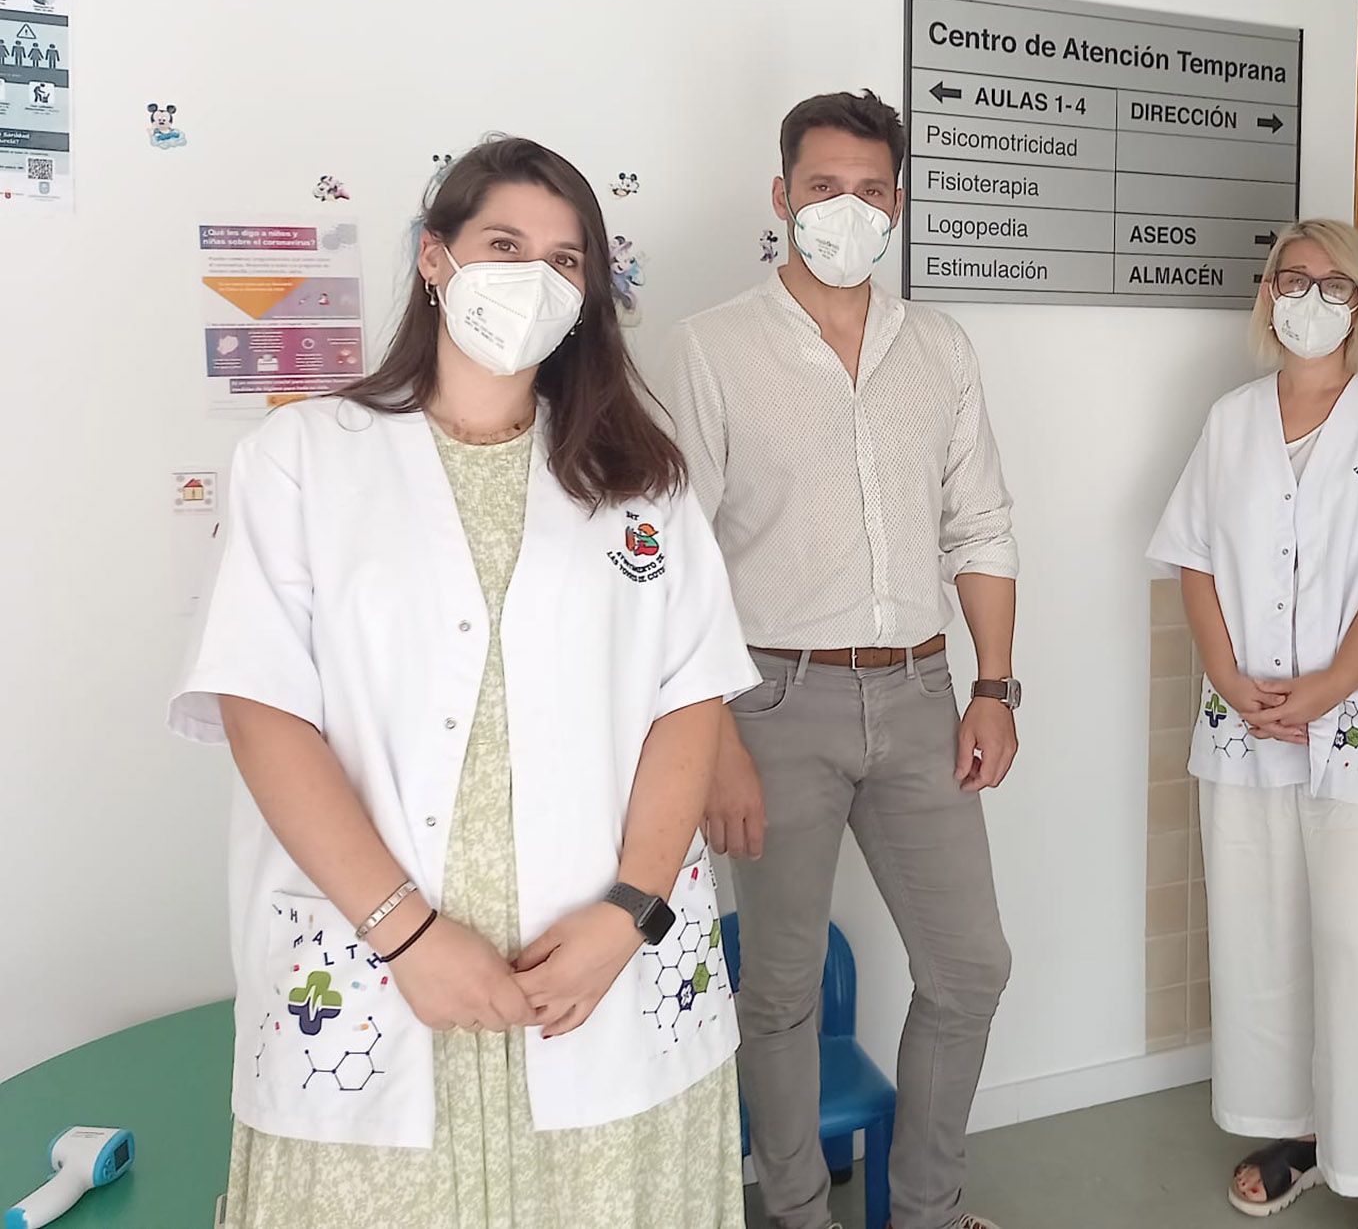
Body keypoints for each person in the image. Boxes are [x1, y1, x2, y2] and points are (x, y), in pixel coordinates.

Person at [171, 137, 760, 1229]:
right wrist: (402, 932)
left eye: (565, 259)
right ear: (435, 259)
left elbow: (690, 700)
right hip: (378, 959)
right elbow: (261, 709)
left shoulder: (643, 480)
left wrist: (627, 914)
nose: (532, 278)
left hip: (594, 960)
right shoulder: (304, 458)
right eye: (504, 245)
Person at [666, 90, 1018, 1229]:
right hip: (772, 702)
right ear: (780, 197)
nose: (846, 210)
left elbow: (982, 524)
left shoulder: (941, 346)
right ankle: (800, 1214)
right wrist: (712, 731)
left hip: (921, 691)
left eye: (871, 191)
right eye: (822, 187)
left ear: (898, 203)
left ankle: (924, 1210)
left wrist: (994, 685)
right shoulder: (711, 345)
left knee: (968, 968)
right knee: (773, 992)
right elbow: (677, 558)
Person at [1148, 218, 1358, 1229]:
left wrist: (1329, 685)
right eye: (1290, 277)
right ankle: (1296, 1128)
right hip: (1245, 726)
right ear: (1265, 295)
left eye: (1332, 281)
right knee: (1264, 934)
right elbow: (1194, 555)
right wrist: (1222, 670)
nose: (1308, 295)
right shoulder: (1232, 419)